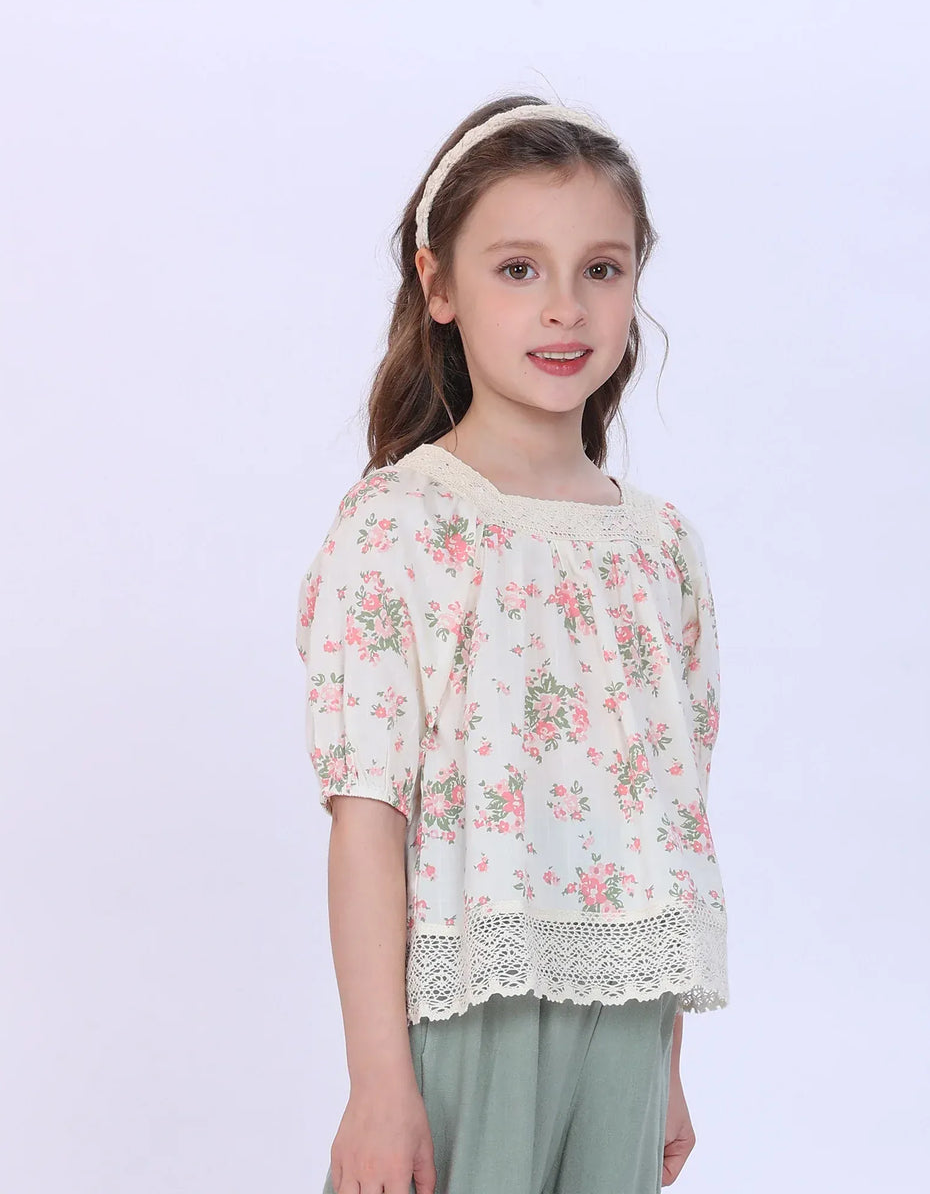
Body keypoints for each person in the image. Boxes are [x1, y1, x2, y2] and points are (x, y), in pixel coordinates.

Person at [294, 94, 728, 1194]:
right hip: (468, 1009)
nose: (565, 307)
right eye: (519, 269)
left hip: (629, 1024)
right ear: (438, 285)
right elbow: (367, 819)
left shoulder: (661, 550)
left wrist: (668, 1066)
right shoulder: (401, 527)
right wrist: (378, 1083)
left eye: (602, 269)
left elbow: (670, 821)